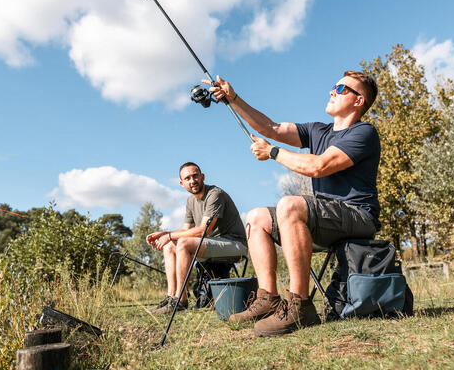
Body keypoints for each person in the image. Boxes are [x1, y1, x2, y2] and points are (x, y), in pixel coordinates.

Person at [207, 70, 380, 336]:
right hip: (323, 219)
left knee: (290, 204)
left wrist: (273, 152)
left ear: (359, 101)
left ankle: (300, 305)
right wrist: (233, 98)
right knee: (256, 217)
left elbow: (320, 166)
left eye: (342, 89)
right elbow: (270, 128)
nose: (333, 91)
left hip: (357, 216)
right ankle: (268, 300)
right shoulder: (317, 131)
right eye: (334, 86)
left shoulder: (364, 133)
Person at [147, 162, 247, 312]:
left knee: (184, 243)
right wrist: (164, 235)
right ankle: (171, 297)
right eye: (187, 178)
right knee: (169, 245)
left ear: (202, 176)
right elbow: (187, 229)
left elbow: (202, 231)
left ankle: (181, 301)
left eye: (195, 176)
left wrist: (169, 235)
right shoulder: (190, 201)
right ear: (182, 183)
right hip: (213, 244)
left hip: (235, 244)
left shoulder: (215, 194)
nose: (192, 180)